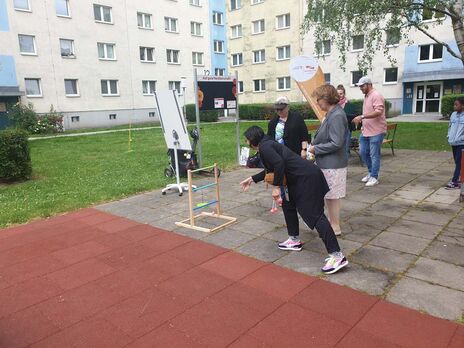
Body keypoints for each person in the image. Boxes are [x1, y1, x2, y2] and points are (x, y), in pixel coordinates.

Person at [240, 126, 348, 275]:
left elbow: (278, 164)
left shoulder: (265, 147)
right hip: (298, 179)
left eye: (247, 139)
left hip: (306, 179)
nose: (246, 141)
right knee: (288, 204)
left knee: (314, 215)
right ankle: (294, 239)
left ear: (252, 139)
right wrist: (252, 179)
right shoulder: (267, 144)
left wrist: (276, 187)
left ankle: (337, 256)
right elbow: (272, 168)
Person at [308, 85, 348, 236]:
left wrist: (315, 149)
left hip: (333, 163)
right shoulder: (332, 113)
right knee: (330, 196)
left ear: (326, 98)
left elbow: (336, 142)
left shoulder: (336, 115)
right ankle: (333, 224)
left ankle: (335, 226)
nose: (317, 102)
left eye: (318, 99)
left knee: (332, 196)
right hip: (329, 162)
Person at [352, 77, 387, 187]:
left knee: (374, 154)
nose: (360, 88)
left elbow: (378, 112)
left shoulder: (376, 95)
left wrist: (362, 116)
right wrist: (362, 121)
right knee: (363, 152)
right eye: (360, 86)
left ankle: (374, 177)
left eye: (362, 86)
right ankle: (371, 173)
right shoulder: (366, 96)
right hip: (366, 131)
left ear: (369, 84)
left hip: (377, 131)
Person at [445, 96, 464, 189]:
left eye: (456, 104)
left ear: (462, 106)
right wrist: (449, 136)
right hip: (453, 142)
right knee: (457, 162)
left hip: (461, 143)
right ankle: (461, 179)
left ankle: (455, 181)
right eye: (454, 104)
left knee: (459, 162)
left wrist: (461, 138)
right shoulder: (453, 114)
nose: (454, 106)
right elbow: (449, 126)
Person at [337, 84, 357, 156]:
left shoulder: (348, 104)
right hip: (337, 128)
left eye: (341, 93)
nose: (339, 95)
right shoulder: (334, 104)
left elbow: (353, 116)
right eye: (338, 94)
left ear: (344, 94)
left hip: (347, 128)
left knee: (345, 146)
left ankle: (345, 161)